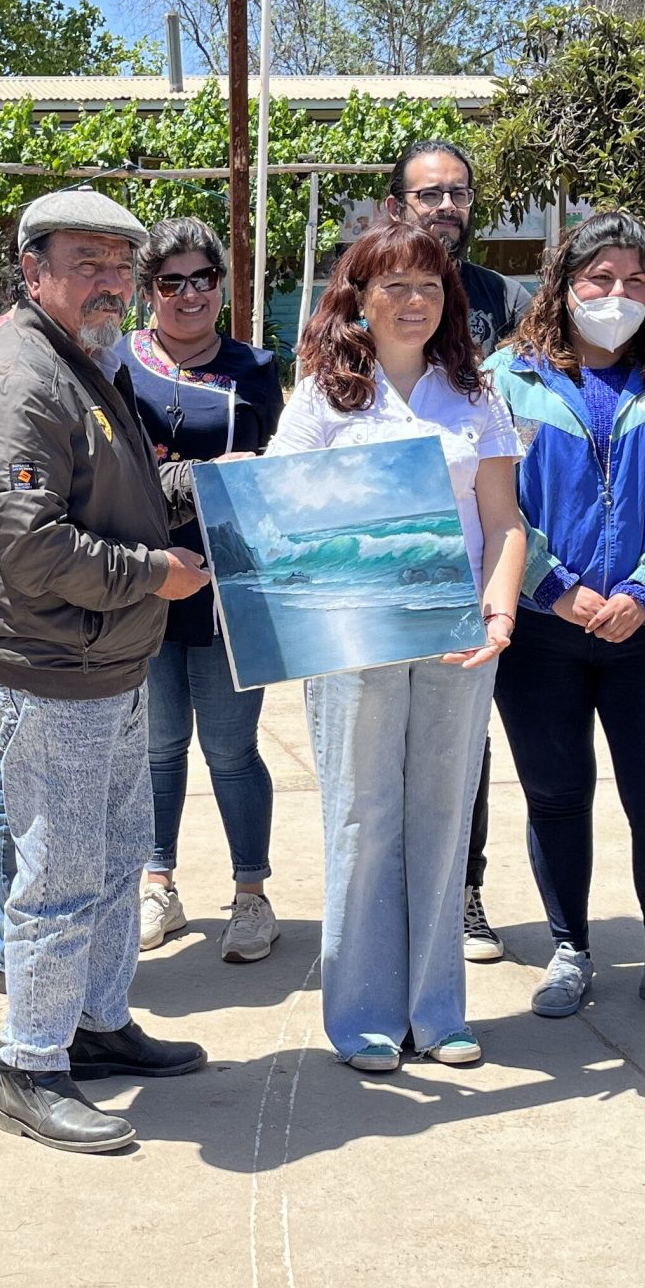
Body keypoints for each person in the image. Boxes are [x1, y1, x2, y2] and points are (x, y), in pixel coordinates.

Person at [0, 188, 213, 1153]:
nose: (111, 282)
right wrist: (157, 575)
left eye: (120, 264)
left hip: (110, 660)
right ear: (34, 272)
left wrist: (217, 486)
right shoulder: (19, 375)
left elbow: (119, 494)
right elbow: (29, 547)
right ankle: (31, 1067)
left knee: (113, 858)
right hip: (54, 668)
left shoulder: (82, 360)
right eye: (86, 262)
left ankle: (96, 1024)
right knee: (59, 874)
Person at [271, 218, 524, 1071]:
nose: (414, 301)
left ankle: (437, 1013)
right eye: (394, 285)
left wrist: (498, 614)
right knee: (362, 816)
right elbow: (281, 503)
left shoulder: (476, 394)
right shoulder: (322, 395)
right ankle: (365, 1018)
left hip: (458, 635)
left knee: (444, 817)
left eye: (429, 285)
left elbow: (505, 522)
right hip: (354, 637)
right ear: (360, 299)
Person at [489, 211, 645, 1032]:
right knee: (556, 796)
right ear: (563, 285)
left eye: (634, 281)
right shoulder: (505, 381)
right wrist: (552, 585)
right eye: (599, 278)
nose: (616, 295)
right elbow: (492, 501)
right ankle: (570, 949)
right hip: (542, 630)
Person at [383, 137, 534, 965]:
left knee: (463, 746)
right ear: (396, 206)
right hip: (384, 572)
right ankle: (379, 909)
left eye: (459, 194)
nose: (446, 206)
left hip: (481, 553)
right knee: (376, 763)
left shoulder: (506, 300)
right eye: (429, 194)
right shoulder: (362, 289)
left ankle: (462, 893)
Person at [121, 216, 285, 965]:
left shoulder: (257, 368)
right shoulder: (117, 364)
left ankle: (251, 896)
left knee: (230, 748)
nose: (190, 294)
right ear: (148, 290)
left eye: (204, 278)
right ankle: (158, 885)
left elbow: (274, 473)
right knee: (156, 749)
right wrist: (200, 479)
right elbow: (111, 477)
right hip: (145, 582)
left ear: (222, 283)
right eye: (171, 282)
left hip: (229, 589)